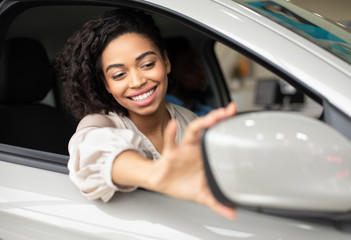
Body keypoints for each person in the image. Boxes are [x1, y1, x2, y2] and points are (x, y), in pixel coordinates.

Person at [55, 8, 236, 219]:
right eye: (119, 74)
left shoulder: (189, 120)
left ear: (166, 62)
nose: (137, 81)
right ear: (106, 84)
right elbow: (91, 153)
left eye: (147, 64)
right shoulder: (100, 123)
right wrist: (155, 174)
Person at [165, 37, 212, 116]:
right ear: (171, 74)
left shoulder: (205, 110)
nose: (202, 71)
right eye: (190, 67)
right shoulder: (165, 113)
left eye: (199, 63)